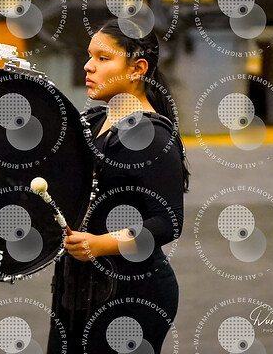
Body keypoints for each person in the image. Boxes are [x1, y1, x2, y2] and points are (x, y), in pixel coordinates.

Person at [47, 19, 189, 353]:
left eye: (103, 58)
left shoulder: (153, 138)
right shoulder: (93, 122)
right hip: (77, 289)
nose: (88, 65)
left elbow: (167, 222)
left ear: (137, 69)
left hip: (133, 294)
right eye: (89, 56)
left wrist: (100, 244)